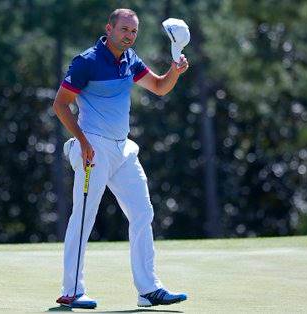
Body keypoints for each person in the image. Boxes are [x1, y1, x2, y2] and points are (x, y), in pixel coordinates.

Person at [52, 8, 189, 309]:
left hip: (123, 149)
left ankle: (148, 289)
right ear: (109, 28)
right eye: (124, 29)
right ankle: (71, 290)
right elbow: (61, 105)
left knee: (143, 213)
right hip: (93, 148)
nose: (129, 35)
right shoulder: (86, 61)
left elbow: (158, 87)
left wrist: (174, 72)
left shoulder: (130, 59)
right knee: (84, 216)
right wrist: (84, 142)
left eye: (133, 31)